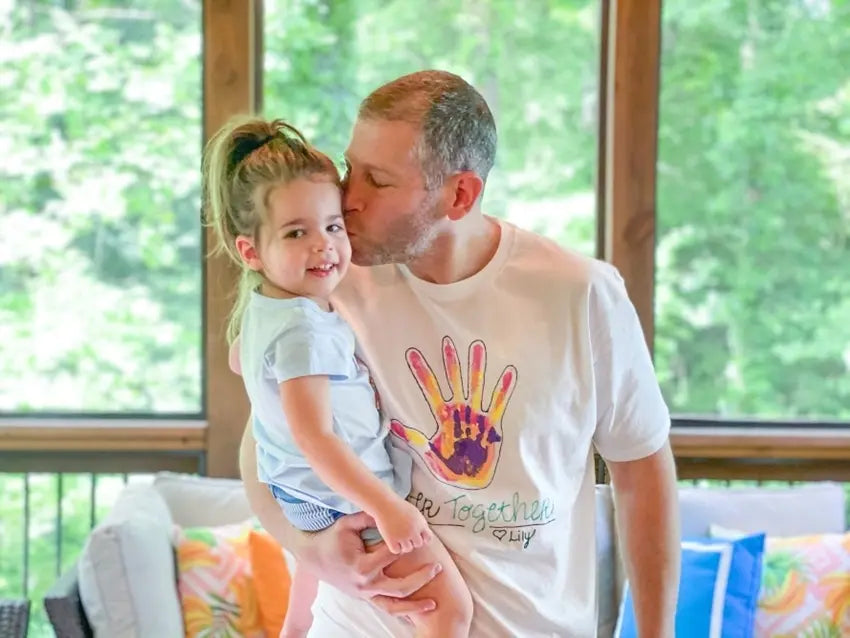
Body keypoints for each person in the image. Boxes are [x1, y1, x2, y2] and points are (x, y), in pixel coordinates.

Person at [240, 70, 681, 637]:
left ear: (459, 195)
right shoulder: (327, 281)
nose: (348, 199)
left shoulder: (582, 294)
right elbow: (266, 441)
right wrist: (307, 546)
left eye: (377, 180)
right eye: (351, 170)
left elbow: (642, 468)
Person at [203, 115, 472, 637]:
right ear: (250, 251)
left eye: (332, 227)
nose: (324, 246)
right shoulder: (305, 329)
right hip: (342, 499)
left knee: (308, 606)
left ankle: (294, 628)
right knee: (448, 612)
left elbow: (242, 360)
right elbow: (315, 437)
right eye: (296, 232)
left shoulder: (267, 308)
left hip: (303, 497)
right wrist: (387, 508)